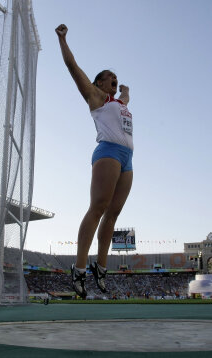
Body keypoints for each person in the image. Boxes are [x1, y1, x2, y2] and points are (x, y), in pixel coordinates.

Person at [56, 24, 134, 298]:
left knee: (113, 214)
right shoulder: (96, 96)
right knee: (98, 207)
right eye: (109, 77)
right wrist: (63, 39)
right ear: (100, 83)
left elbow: (124, 98)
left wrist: (126, 91)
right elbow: (72, 67)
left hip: (128, 157)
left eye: (116, 77)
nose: (114, 79)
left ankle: (101, 267)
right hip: (108, 153)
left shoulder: (119, 102)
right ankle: (78, 270)